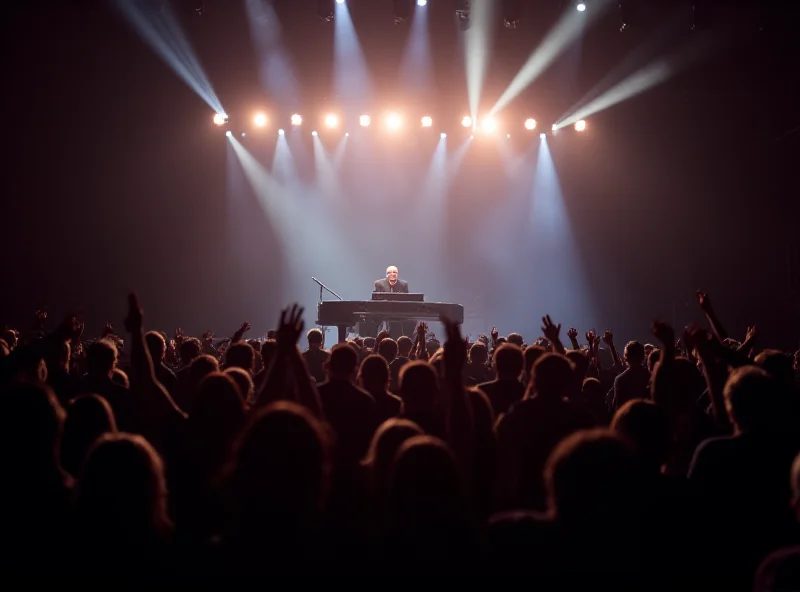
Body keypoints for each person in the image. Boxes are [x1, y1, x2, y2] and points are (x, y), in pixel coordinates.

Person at [373, 266, 412, 338]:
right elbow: (376, 299)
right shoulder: (379, 283)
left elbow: (407, 300)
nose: (392, 274)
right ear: (386, 274)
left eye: (394, 272)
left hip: (398, 314)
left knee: (398, 331)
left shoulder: (403, 284)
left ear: (397, 274)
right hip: (383, 313)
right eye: (389, 272)